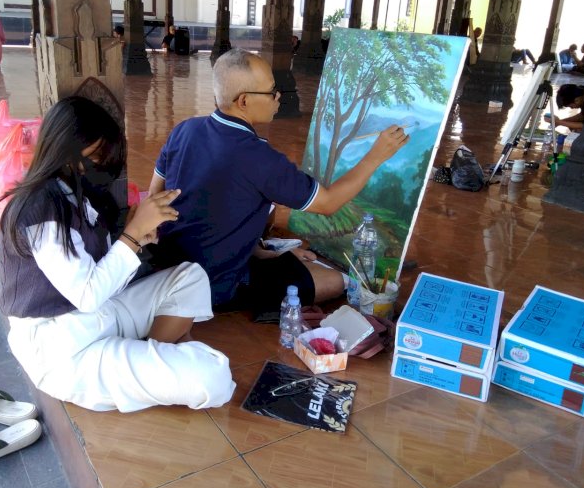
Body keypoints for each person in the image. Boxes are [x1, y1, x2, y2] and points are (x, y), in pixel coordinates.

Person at [0, 96, 235, 413]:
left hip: (102, 315)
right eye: (96, 157)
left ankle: (143, 358)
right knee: (213, 376)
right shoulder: (40, 209)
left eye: (106, 157)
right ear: (62, 150)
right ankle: (142, 362)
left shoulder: (80, 195)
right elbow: (88, 294)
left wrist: (138, 238)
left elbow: (105, 279)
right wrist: (131, 237)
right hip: (66, 349)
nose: (103, 166)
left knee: (190, 277)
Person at [148, 48, 409, 318]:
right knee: (335, 282)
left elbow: (154, 197)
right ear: (244, 101)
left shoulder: (185, 129)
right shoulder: (259, 157)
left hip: (171, 264)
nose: (278, 98)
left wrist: (263, 252)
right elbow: (329, 203)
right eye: (272, 91)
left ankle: (258, 257)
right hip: (213, 283)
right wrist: (376, 156)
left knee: (294, 258)